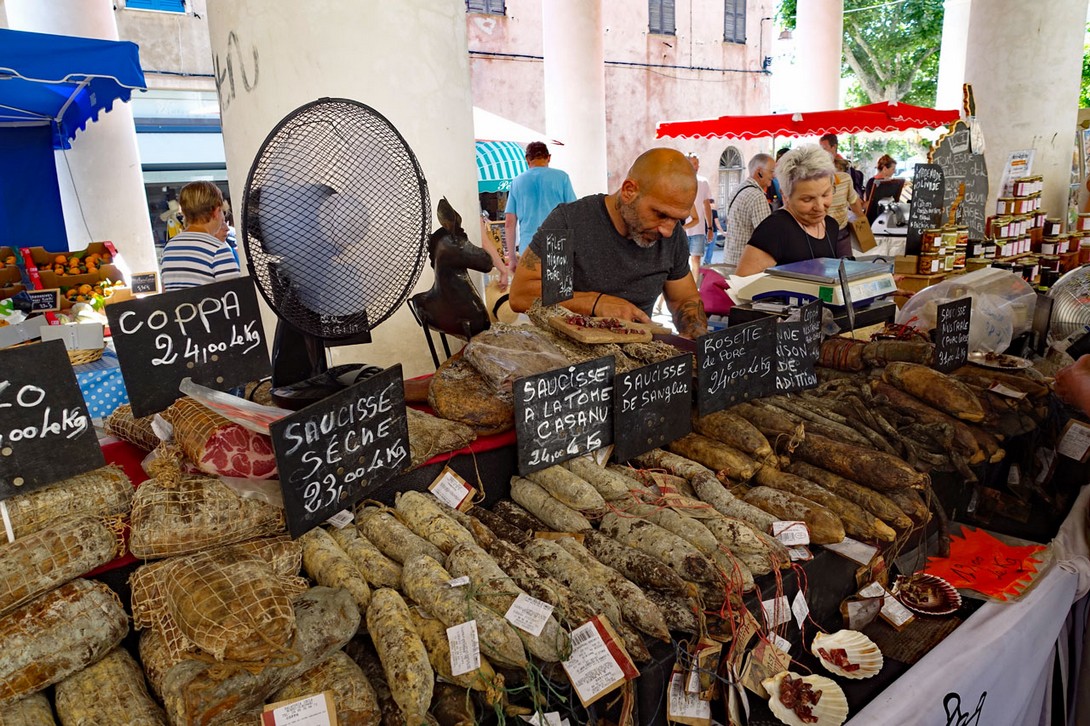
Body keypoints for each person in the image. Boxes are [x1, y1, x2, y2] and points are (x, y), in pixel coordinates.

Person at [508, 148, 708, 339]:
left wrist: (694, 330)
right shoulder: (570, 224)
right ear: (629, 191)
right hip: (571, 356)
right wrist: (595, 303)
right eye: (660, 214)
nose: (667, 230)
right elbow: (522, 295)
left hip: (639, 355)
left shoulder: (671, 236)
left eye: (678, 219)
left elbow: (683, 299)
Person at [736, 145, 839, 276]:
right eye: (807, 199)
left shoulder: (831, 226)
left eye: (825, 195)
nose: (819, 207)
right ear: (785, 196)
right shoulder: (775, 230)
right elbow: (744, 282)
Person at [504, 141, 576, 268]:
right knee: (557, 281)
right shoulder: (562, 178)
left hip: (529, 247)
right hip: (558, 245)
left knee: (532, 281)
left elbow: (509, 223)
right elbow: (574, 213)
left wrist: (512, 258)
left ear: (527, 159)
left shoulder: (517, 182)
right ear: (548, 157)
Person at [160, 181, 240, 292]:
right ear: (216, 212)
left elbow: (165, 291)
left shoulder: (169, 248)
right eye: (222, 211)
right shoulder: (218, 249)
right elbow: (234, 295)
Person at [722, 153, 775, 273]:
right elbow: (767, 238)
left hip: (730, 260)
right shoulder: (757, 197)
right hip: (746, 267)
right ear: (759, 172)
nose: (773, 175)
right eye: (771, 171)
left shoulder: (738, 189)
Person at [829, 157, 866, 257]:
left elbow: (855, 203)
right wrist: (863, 225)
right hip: (840, 232)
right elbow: (855, 204)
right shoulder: (845, 178)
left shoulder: (809, 180)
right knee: (846, 264)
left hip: (821, 232)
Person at [685, 152, 715, 276]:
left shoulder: (703, 182)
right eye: (692, 163)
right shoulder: (680, 181)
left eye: (696, 163)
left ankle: (694, 285)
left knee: (696, 260)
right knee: (682, 262)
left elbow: (706, 205)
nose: (696, 166)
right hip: (682, 229)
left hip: (698, 229)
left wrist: (710, 228)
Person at [819, 133, 864, 198]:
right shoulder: (820, 166)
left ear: (834, 147)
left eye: (824, 148)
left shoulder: (844, 166)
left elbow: (851, 193)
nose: (821, 152)